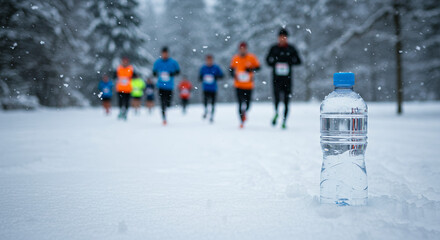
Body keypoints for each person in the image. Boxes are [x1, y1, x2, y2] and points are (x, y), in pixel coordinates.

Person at [266, 28, 302, 129]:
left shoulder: (291, 48)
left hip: (287, 78)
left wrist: (289, 62)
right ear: (278, 38)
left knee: (286, 100)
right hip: (276, 78)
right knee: (276, 97)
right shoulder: (274, 48)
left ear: (287, 38)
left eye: (284, 37)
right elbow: (267, 61)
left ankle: (284, 121)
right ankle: (276, 112)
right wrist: (275, 63)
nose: (282, 39)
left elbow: (299, 61)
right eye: (281, 37)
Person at [229, 42, 260, 128]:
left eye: (244, 48)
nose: (242, 50)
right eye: (241, 49)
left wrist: (250, 69)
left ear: (246, 49)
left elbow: (258, 67)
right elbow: (231, 69)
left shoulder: (251, 57)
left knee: (248, 103)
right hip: (238, 85)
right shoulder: (235, 58)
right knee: (239, 103)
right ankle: (241, 120)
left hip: (249, 85)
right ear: (239, 49)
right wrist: (233, 75)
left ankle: (245, 112)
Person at [152, 47, 180, 125]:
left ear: (168, 53)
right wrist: (156, 74)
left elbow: (178, 71)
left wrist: (172, 74)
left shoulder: (173, 62)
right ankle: (164, 117)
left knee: (168, 103)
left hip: (170, 86)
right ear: (161, 54)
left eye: (166, 53)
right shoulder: (158, 62)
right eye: (163, 54)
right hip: (161, 86)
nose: (164, 55)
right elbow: (154, 72)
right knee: (162, 102)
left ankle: (166, 108)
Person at [199, 54, 224, 122]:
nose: (209, 61)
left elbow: (222, 75)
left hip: (213, 88)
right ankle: (206, 111)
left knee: (213, 103)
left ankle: (212, 116)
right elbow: (199, 77)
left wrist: (216, 77)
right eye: (208, 60)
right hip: (205, 88)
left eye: (210, 60)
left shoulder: (216, 67)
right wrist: (202, 78)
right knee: (205, 101)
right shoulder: (203, 68)